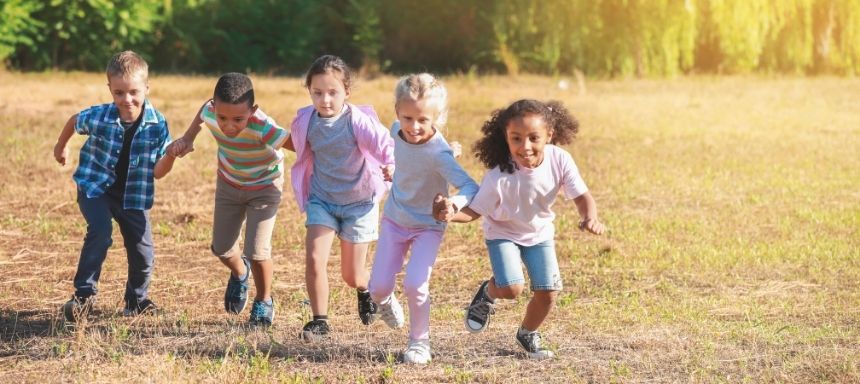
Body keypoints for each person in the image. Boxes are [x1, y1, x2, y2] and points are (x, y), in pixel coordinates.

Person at [433, 99, 606, 359]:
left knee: (548, 293)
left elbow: (583, 197)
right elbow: (475, 211)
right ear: (506, 138)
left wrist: (589, 217)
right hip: (502, 233)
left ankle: (527, 333)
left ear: (550, 135)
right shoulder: (499, 175)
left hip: (539, 235)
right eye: (516, 138)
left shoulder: (560, 160)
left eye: (534, 138)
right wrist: (449, 214)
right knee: (512, 288)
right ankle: (488, 293)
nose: (525, 147)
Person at [54, 50, 175, 321]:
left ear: (147, 87)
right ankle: (82, 298)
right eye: (118, 92)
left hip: (134, 196)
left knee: (143, 251)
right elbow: (75, 120)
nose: (126, 99)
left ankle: (136, 300)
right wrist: (61, 146)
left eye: (133, 92)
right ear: (109, 88)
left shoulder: (158, 125)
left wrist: (171, 156)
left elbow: (158, 172)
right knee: (100, 231)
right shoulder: (101, 116)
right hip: (96, 188)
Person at [368, 73, 478, 364]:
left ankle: (420, 342)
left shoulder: (439, 154)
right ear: (397, 113)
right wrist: (394, 170)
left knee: (416, 284)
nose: (413, 127)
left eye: (423, 121)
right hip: (395, 219)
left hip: (428, 226)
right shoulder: (395, 130)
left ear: (436, 118)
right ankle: (385, 301)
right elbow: (401, 156)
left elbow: (470, 186)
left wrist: (453, 204)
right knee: (376, 288)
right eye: (407, 118)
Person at [286, 55, 395, 340]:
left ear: (347, 91)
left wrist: (392, 165)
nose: (325, 100)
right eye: (317, 93)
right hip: (322, 200)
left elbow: (385, 144)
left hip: (359, 204)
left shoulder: (356, 122)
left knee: (352, 276)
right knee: (313, 258)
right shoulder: (306, 120)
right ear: (309, 91)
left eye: (333, 92)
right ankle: (320, 320)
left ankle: (365, 290)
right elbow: (293, 143)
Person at [167, 73, 290, 326]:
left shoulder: (263, 126)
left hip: (265, 187)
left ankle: (264, 301)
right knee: (221, 248)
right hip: (229, 183)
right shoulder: (209, 111)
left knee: (257, 251)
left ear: (252, 111)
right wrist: (187, 139)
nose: (229, 126)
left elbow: (298, 144)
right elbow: (201, 116)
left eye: (238, 119)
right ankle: (239, 272)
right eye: (223, 118)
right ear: (214, 106)